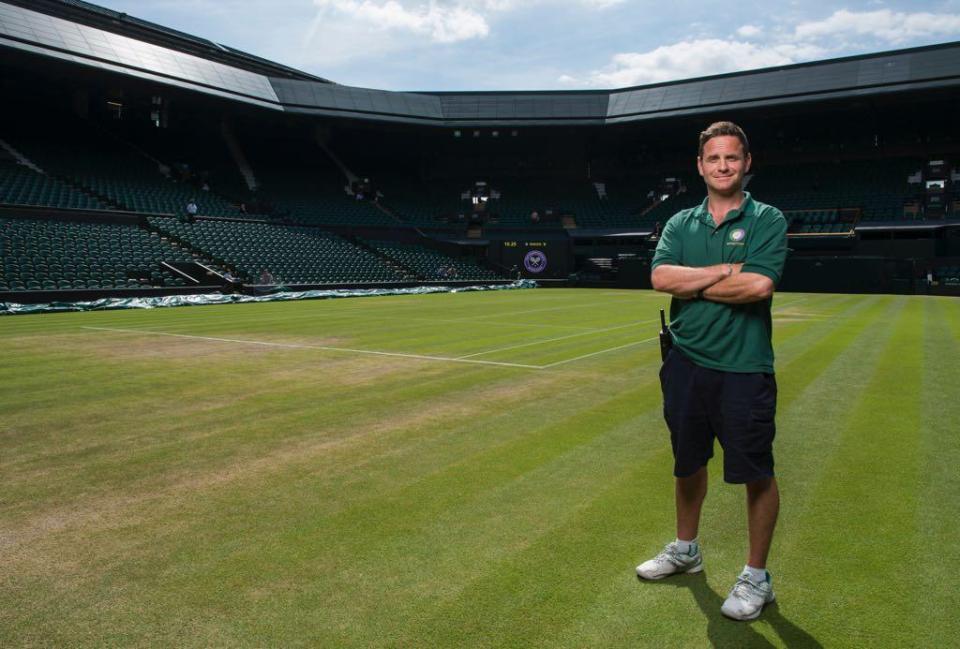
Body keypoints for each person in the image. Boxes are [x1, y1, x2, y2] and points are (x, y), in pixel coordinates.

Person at [635, 121, 788, 622]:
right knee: (687, 462)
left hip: (743, 367)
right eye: (714, 159)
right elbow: (660, 277)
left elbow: (759, 287)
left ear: (747, 163)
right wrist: (725, 270)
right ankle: (686, 550)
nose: (723, 166)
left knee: (756, 473)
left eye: (732, 158)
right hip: (684, 364)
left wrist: (693, 281)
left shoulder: (767, 218)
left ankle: (756, 578)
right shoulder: (681, 223)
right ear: (700, 166)